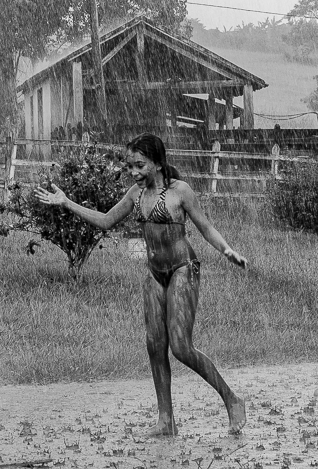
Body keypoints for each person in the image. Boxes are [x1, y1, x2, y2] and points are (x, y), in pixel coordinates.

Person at [34, 133, 248, 436]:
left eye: (139, 165)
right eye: (130, 166)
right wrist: (66, 202)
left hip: (182, 269)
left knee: (181, 348)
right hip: (155, 274)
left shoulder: (180, 192)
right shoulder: (136, 193)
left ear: (158, 163)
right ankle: (166, 421)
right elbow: (106, 221)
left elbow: (206, 227)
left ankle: (232, 399)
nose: (133, 172)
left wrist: (229, 252)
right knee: (154, 346)